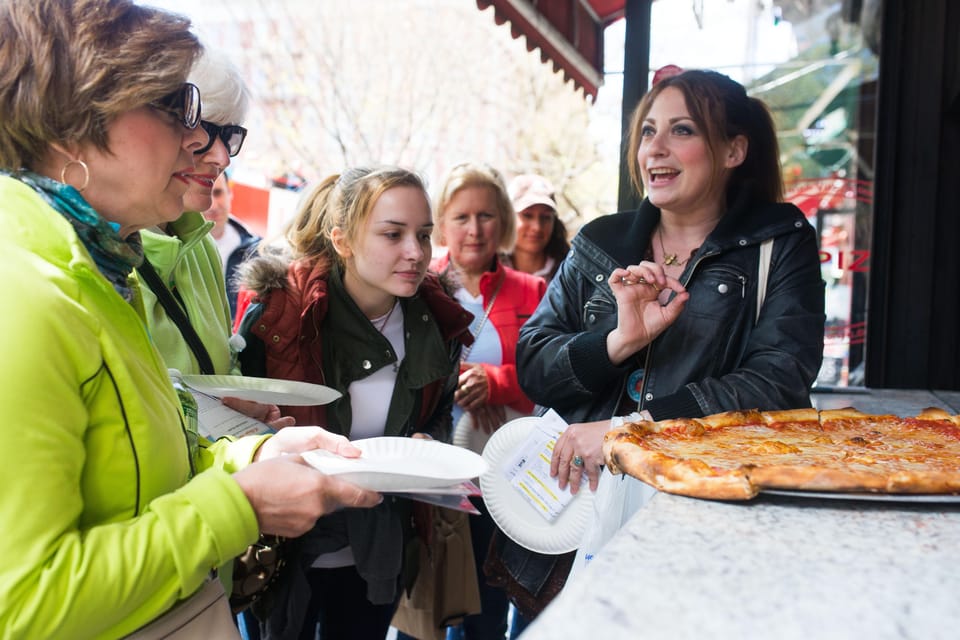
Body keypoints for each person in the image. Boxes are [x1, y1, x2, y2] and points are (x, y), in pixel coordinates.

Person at [0, 1, 380, 637]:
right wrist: (241, 501)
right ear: (75, 121)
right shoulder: (26, 293)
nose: (198, 142)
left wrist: (255, 454)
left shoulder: (91, 272)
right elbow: (24, 605)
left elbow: (134, 477)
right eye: (176, 107)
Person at [516, 68, 825, 547]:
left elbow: (778, 380)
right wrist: (617, 343)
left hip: (708, 516)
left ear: (733, 151)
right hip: (576, 514)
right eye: (647, 131)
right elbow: (534, 363)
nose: (654, 149)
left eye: (682, 130)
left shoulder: (779, 242)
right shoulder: (600, 241)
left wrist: (630, 433)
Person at [235, 167, 474, 640]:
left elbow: (439, 412)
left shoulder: (435, 321)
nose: (415, 252)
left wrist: (428, 443)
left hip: (379, 549)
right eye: (392, 234)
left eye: (424, 235)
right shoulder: (280, 314)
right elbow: (238, 421)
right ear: (342, 240)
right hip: (284, 546)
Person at [431, 162, 547, 640]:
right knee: (426, 608)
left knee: (488, 603)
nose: (474, 229)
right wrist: (459, 378)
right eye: (461, 217)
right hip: (433, 469)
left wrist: (496, 382)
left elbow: (550, 376)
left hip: (502, 472)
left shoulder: (532, 290)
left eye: (485, 215)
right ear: (441, 224)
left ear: (503, 221)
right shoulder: (420, 287)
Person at [204, 172, 262, 319]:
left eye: (218, 193)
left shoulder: (256, 250)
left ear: (230, 193)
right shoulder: (179, 247)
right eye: (205, 193)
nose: (213, 205)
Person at [503, 173, 570, 284]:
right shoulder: (488, 268)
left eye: (545, 217)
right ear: (508, 217)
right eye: (527, 215)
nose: (537, 227)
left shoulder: (569, 272)